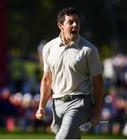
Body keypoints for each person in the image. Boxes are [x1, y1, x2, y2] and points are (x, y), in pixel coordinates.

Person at [35, 7, 104, 139]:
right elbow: (47, 80)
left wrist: (97, 111)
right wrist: (41, 106)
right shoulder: (49, 48)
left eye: (77, 22)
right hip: (57, 105)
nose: (75, 25)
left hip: (79, 103)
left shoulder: (89, 50)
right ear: (60, 25)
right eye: (71, 22)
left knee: (63, 138)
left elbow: (98, 82)